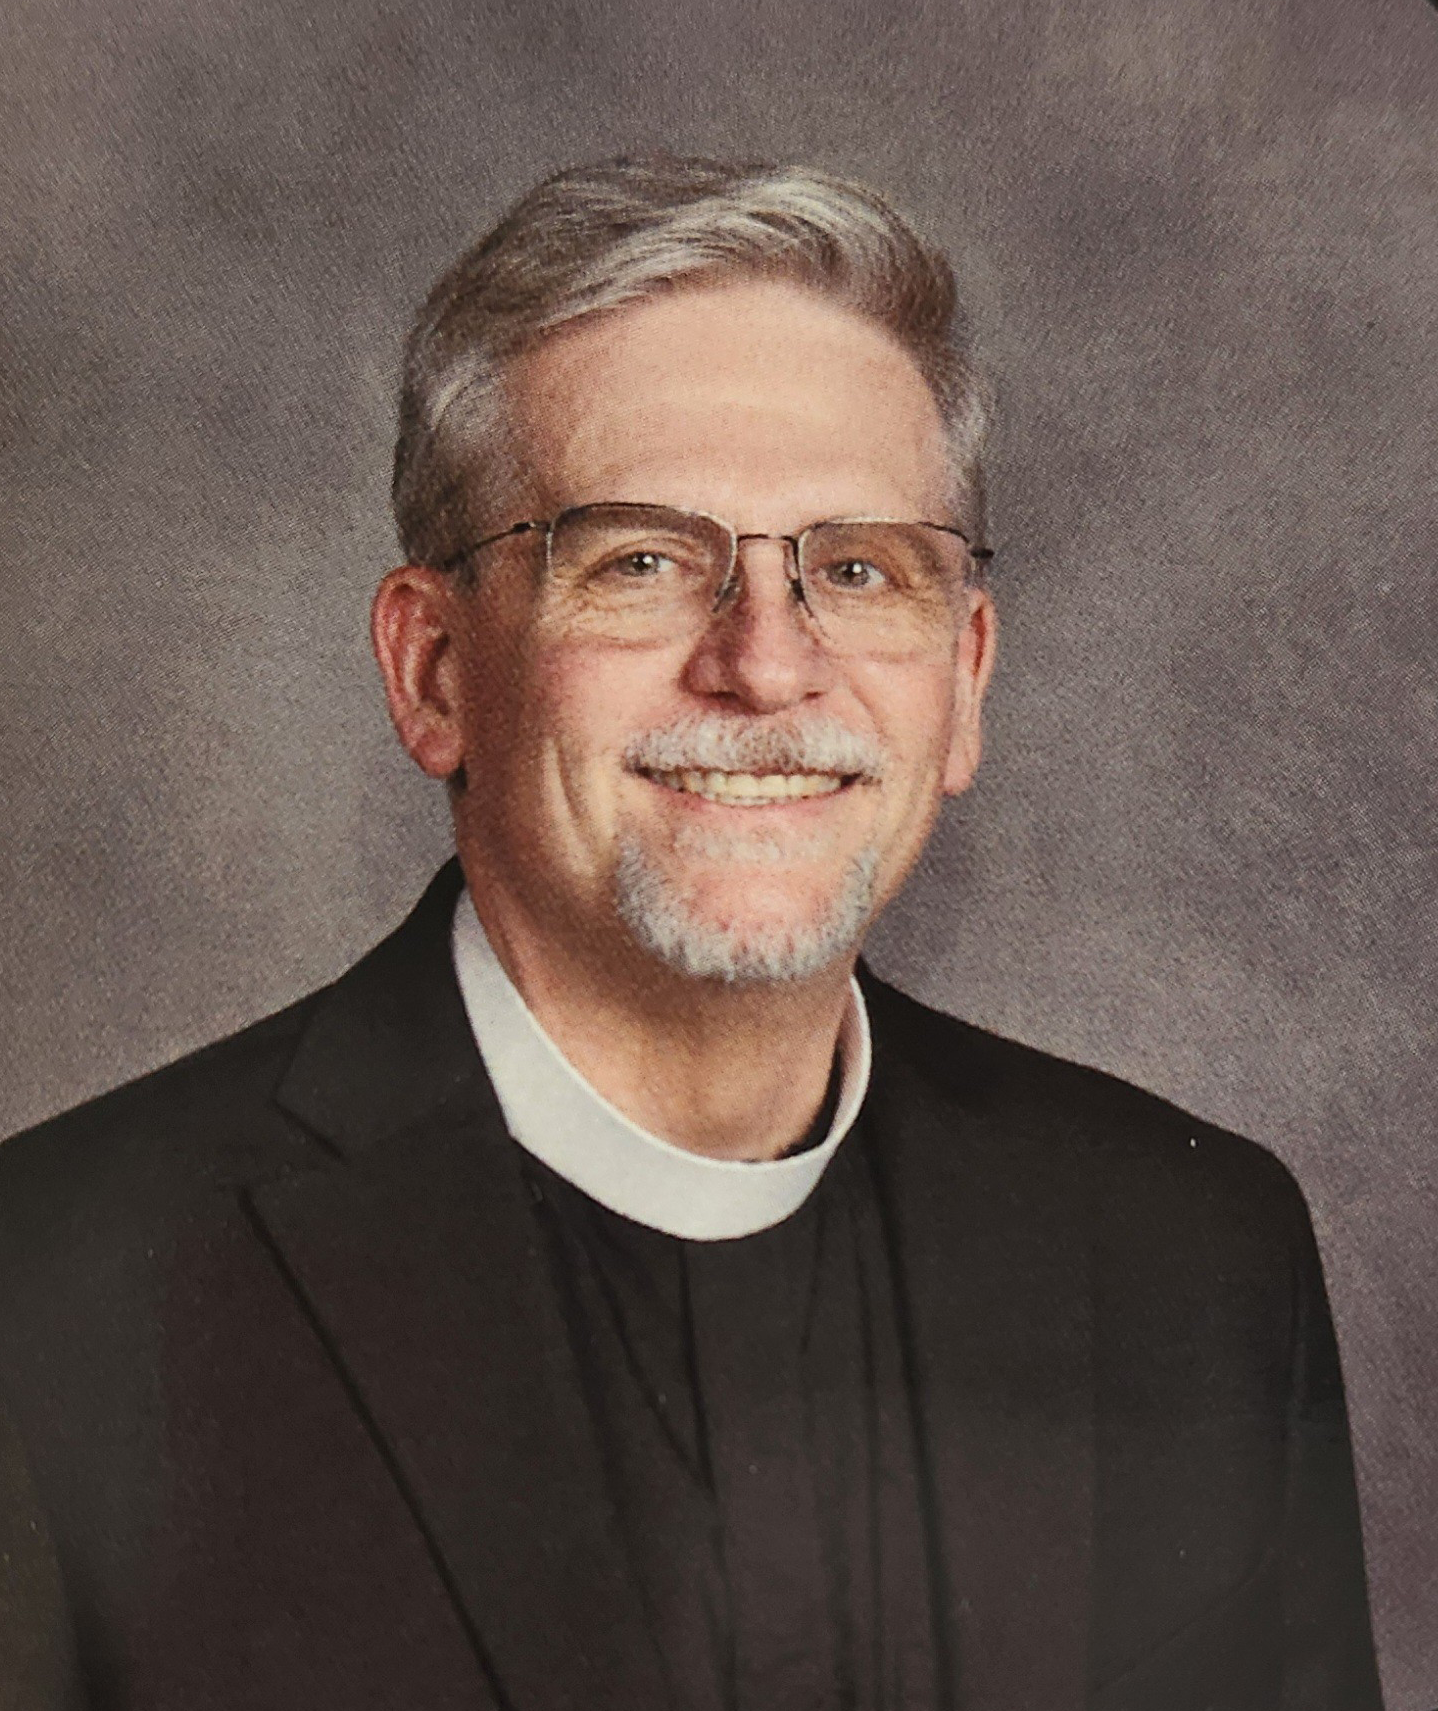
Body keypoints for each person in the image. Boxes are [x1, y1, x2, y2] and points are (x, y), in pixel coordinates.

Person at [0, 157, 1381, 1711]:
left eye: (858, 569)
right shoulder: (52, 1303)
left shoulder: (1189, 1255)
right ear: (434, 670)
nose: (766, 663)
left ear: (966, 677)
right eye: (641, 561)